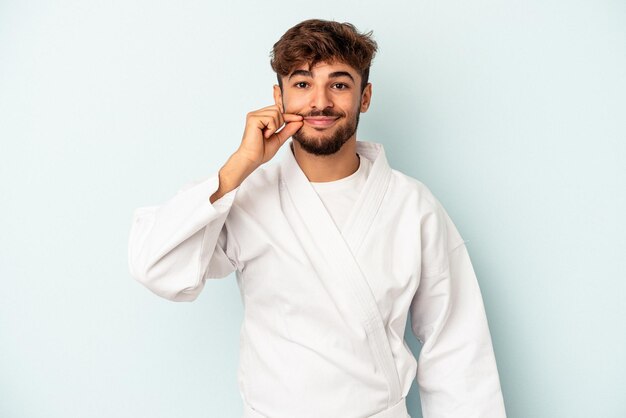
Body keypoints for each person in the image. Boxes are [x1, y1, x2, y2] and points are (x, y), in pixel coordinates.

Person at [128, 18, 507, 418]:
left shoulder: (413, 207)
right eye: (303, 83)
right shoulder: (244, 196)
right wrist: (238, 168)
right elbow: (156, 268)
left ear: (365, 97)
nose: (320, 102)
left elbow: (458, 349)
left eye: (339, 84)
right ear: (280, 97)